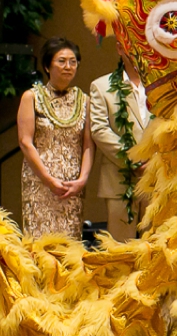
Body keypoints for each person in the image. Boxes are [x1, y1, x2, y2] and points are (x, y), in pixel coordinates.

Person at [18, 37, 93, 239]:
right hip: (40, 183)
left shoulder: (84, 100)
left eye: (73, 61)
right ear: (47, 66)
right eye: (61, 61)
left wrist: (82, 180)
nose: (68, 66)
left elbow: (87, 144)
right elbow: (25, 142)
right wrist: (48, 180)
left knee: (70, 248)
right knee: (40, 247)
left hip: (72, 187)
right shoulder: (31, 97)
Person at [88, 55, 151, 243]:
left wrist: (154, 160)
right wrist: (133, 159)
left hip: (156, 177)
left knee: (158, 249)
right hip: (119, 178)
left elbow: (172, 124)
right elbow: (99, 130)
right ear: (119, 47)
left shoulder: (161, 83)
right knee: (121, 251)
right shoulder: (101, 86)